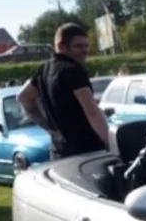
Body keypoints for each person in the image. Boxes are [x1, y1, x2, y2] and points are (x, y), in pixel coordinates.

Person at [17, 23, 109, 160]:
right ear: (61, 46)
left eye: (86, 46)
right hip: (86, 151)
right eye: (78, 46)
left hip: (58, 152)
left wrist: (48, 126)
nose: (84, 50)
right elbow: (92, 112)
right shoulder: (74, 70)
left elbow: (23, 97)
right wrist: (109, 142)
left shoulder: (44, 69)